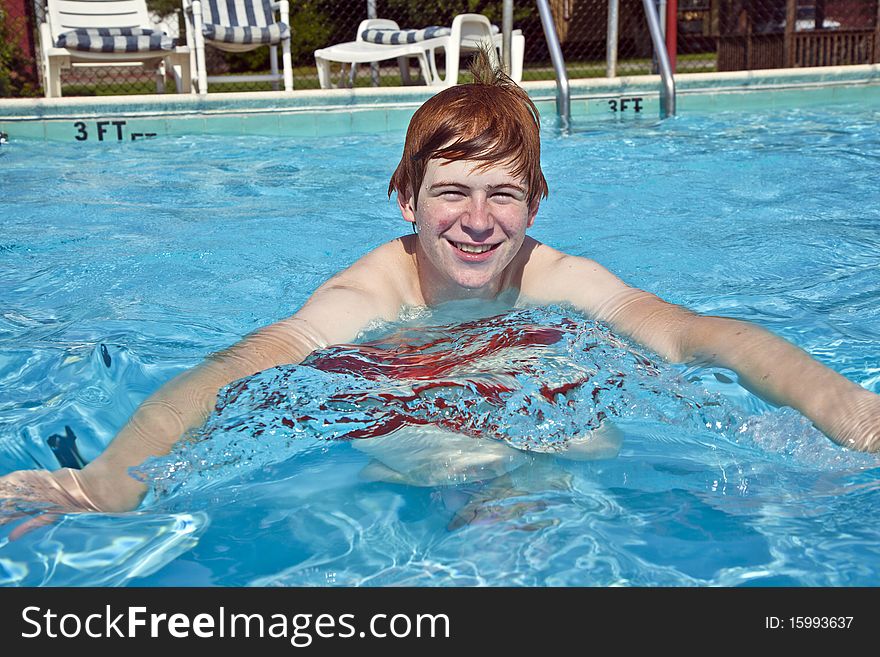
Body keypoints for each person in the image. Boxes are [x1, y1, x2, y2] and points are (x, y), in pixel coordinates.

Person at [2, 52, 878, 536]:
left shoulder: (558, 276)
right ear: (407, 199)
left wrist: (852, 412)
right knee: (483, 470)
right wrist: (105, 485)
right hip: (411, 413)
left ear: (534, 204)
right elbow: (242, 367)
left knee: (594, 444)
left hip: (530, 403)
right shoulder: (367, 291)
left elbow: (699, 337)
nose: (476, 221)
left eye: (503, 194)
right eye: (451, 192)